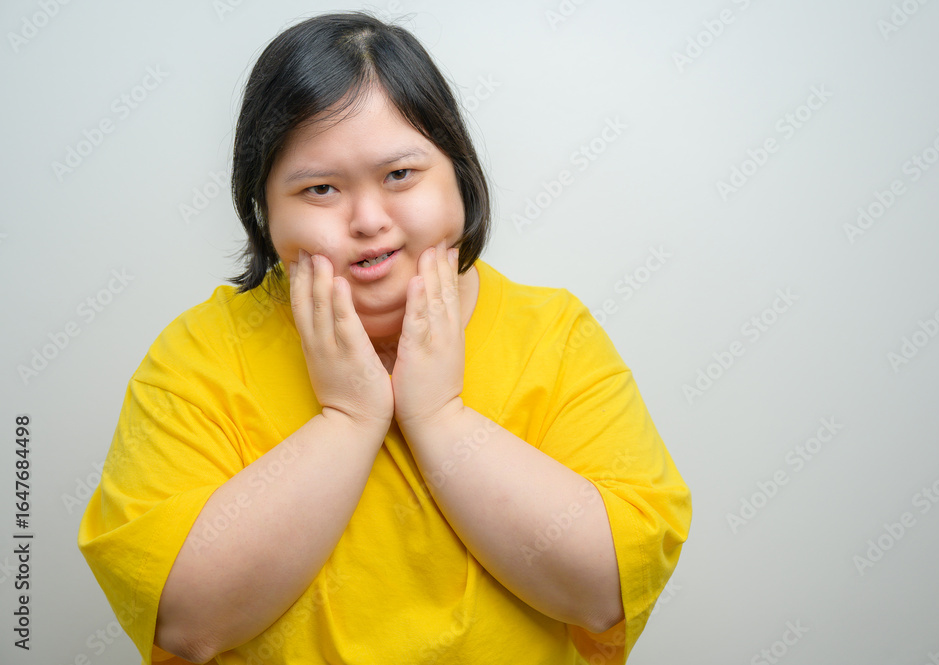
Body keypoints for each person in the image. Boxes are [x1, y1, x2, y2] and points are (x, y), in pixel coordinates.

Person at [78, 12, 691, 665]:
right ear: (264, 209)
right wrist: (349, 419)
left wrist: (438, 416)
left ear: (459, 174)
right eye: (320, 188)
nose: (369, 220)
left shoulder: (555, 335)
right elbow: (186, 621)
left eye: (400, 175)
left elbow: (605, 591)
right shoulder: (198, 354)